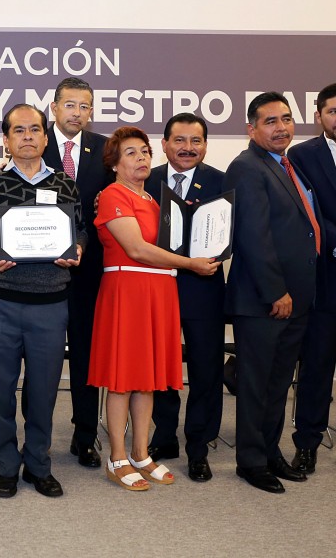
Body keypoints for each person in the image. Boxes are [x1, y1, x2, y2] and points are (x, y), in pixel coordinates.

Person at [0, 104, 85, 498]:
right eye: (19, 131)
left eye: (34, 130)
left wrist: (77, 249)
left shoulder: (65, 185)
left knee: (44, 390)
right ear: (7, 139)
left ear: (46, 138)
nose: (27, 136)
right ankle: (7, 466)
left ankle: (39, 465)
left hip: (51, 302)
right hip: (0, 302)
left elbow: (80, 233)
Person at [88, 126, 220, 492]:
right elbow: (137, 250)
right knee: (122, 379)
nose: (142, 157)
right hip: (128, 289)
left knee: (146, 379)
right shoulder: (114, 194)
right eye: (131, 153)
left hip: (159, 290)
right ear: (114, 163)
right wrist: (191, 263)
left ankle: (141, 453)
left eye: (145, 151)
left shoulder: (153, 200)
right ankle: (116, 457)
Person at [224, 91, 318, 493]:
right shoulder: (247, 167)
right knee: (256, 383)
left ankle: (269, 450)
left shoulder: (287, 164)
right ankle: (251, 461)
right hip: (266, 300)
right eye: (270, 121)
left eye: (285, 119)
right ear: (251, 128)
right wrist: (276, 291)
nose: (281, 127)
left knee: (279, 384)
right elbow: (254, 237)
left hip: (297, 299)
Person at [144, 113, 227, 482]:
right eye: (179, 140)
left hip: (204, 289)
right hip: (157, 287)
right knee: (161, 366)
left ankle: (198, 446)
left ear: (206, 146)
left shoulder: (223, 183)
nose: (188, 148)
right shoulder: (147, 180)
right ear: (164, 145)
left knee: (206, 369)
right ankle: (164, 436)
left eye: (196, 141)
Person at [43, 76, 111, 468]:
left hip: (89, 270)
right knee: (42, 358)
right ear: (54, 108)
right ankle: (37, 434)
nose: (78, 113)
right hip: (41, 271)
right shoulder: (35, 140)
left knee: (86, 356)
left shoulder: (103, 150)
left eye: (85, 106)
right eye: (70, 104)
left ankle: (84, 435)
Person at [285, 83, 336, 475]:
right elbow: (307, 215)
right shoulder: (301, 156)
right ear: (318, 115)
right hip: (325, 280)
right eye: (333, 111)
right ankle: (307, 443)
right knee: (317, 367)